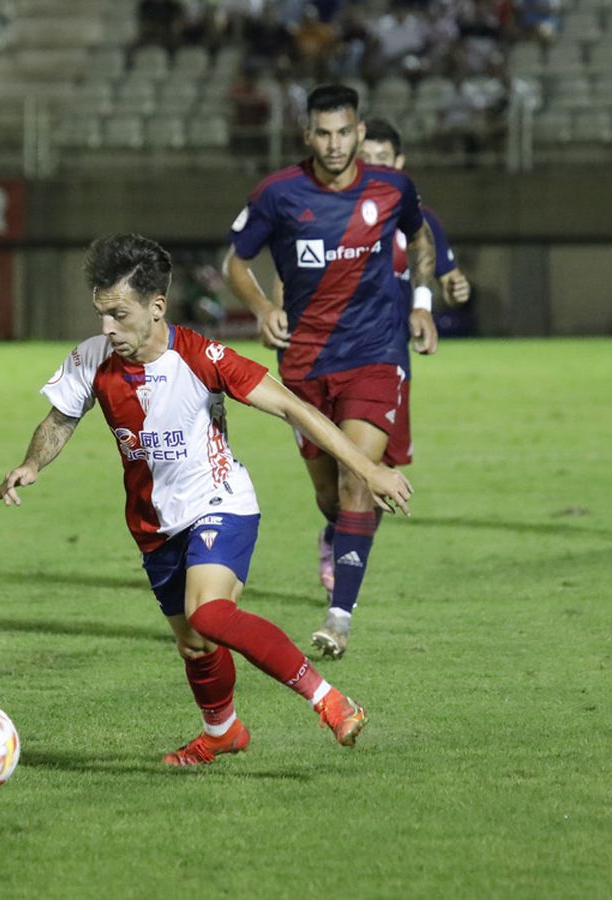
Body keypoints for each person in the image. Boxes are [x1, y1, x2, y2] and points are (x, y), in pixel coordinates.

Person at [0, 234, 412, 766]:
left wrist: (369, 469)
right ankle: (222, 732)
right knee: (195, 643)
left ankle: (330, 701)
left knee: (211, 613)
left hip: (221, 501)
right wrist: (32, 463)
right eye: (102, 314)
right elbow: (59, 420)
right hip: (152, 524)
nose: (107, 328)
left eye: (119, 315)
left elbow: (294, 409)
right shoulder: (91, 359)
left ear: (156, 308)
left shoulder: (202, 357)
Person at [223, 83, 437, 660]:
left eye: (345, 132)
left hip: (374, 355)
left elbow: (420, 237)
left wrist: (421, 302)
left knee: (356, 477)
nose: (335, 143)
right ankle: (340, 535)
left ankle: (339, 616)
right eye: (324, 133)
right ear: (307, 135)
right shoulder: (279, 194)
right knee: (329, 497)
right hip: (305, 363)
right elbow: (235, 263)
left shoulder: (392, 188)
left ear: (360, 132)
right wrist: (265, 308)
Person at [358, 116, 472, 309]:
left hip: (393, 332)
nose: (373, 167)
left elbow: (450, 281)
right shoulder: (330, 214)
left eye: (382, 158)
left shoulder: (421, 219)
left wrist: (457, 289)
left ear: (398, 162)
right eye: (364, 159)